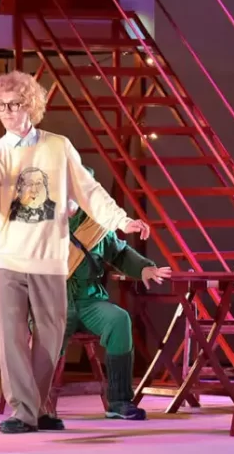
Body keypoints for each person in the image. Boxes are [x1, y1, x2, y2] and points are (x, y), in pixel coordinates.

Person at [0, 71, 151, 433]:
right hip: (8, 259)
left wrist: (121, 221)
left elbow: (89, 191)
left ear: (31, 105)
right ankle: (23, 412)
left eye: (14, 104)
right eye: (1, 106)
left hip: (49, 260)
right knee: (12, 337)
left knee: (51, 336)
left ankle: (39, 408)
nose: (7, 112)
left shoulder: (58, 146)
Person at [61, 178, 171, 420]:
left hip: (89, 299)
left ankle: (120, 401)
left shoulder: (95, 223)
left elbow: (119, 252)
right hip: (53, 299)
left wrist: (143, 268)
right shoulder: (39, 223)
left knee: (119, 320)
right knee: (46, 330)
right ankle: (34, 404)